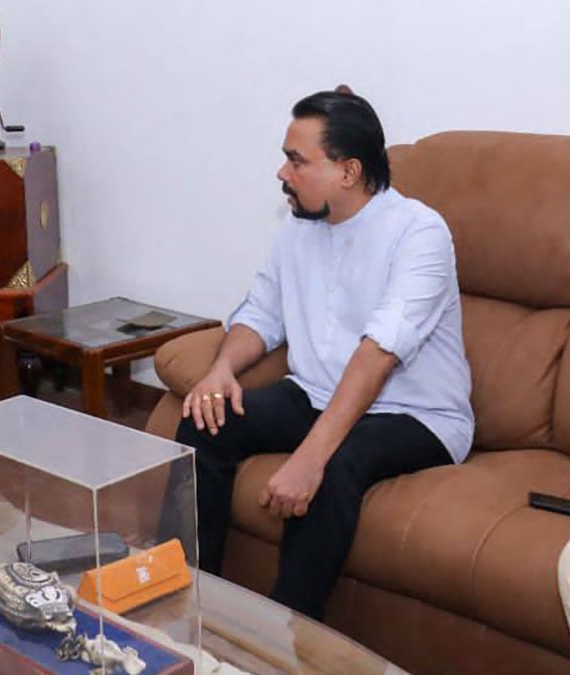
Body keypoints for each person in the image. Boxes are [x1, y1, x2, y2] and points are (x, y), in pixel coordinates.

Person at [172, 90, 473, 620]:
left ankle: (281, 640)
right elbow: (261, 313)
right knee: (207, 420)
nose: (282, 173)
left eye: (297, 161)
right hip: (314, 393)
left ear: (348, 172)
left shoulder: (419, 233)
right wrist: (220, 371)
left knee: (335, 464)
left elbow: (379, 354)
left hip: (415, 414)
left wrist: (309, 457)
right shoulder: (298, 227)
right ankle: (187, 604)